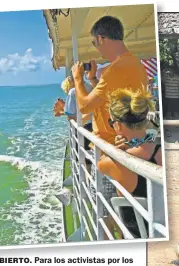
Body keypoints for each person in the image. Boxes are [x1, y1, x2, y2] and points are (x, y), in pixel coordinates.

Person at [71, 15, 148, 146]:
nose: (96, 47)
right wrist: (92, 78)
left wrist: (77, 79)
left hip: (111, 144)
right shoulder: (136, 64)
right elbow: (108, 96)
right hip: (129, 140)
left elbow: (84, 107)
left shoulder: (114, 70)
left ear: (101, 38)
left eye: (94, 42)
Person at [97, 88, 162, 238]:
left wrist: (117, 150)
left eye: (111, 122)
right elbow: (147, 145)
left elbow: (100, 163)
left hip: (142, 238)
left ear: (118, 125)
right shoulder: (160, 149)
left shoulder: (121, 163)